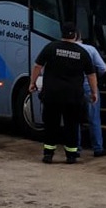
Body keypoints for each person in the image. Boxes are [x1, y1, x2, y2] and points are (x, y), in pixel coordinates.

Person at [29, 22, 97, 164]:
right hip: (73, 96)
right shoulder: (82, 52)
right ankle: (71, 156)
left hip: (52, 95)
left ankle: (48, 154)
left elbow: (37, 66)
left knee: (51, 124)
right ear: (76, 34)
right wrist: (94, 92)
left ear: (62, 34)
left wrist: (32, 82)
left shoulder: (51, 47)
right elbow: (91, 74)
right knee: (71, 125)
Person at [76, 34, 106, 158]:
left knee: (75, 119)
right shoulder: (90, 49)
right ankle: (98, 148)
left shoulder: (66, 49)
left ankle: (76, 148)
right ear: (80, 38)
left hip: (74, 88)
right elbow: (102, 68)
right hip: (89, 87)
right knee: (94, 118)